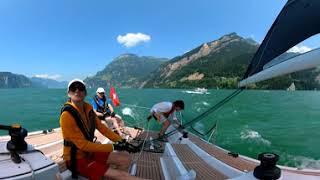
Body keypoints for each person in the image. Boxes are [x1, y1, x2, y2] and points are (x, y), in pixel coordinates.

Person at [60, 79, 141, 180]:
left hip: (89, 153)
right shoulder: (67, 115)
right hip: (76, 159)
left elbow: (103, 129)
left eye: (80, 88)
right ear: (68, 93)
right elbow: (83, 145)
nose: (77, 91)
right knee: (122, 176)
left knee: (126, 159)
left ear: (85, 93)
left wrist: (122, 142)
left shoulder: (88, 108)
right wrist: (114, 147)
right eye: (73, 88)